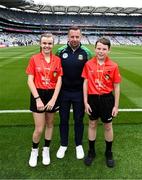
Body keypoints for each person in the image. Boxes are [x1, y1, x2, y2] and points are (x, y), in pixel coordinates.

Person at [82, 37, 121, 167]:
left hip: (106, 99)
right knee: (92, 124)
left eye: (104, 49)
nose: (101, 51)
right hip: (92, 99)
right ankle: (91, 151)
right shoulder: (88, 64)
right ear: (95, 49)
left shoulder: (113, 65)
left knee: (108, 126)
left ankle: (108, 152)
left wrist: (116, 105)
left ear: (108, 50)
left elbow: (116, 86)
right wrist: (85, 102)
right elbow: (85, 83)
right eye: (98, 48)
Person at [26, 33, 63, 167]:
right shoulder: (34, 59)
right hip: (38, 94)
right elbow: (30, 80)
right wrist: (37, 99)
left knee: (50, 124)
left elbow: (59, 80)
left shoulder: (57, 60)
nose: (47, 46)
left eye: (49, 43)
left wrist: (54, 99)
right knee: (39, 128)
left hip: (52, 94)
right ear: (40, 44)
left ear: (53, 45)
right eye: (45, 43)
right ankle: (34, 151)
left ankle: (46, 149)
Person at [56, 26, 93, 159]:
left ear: (81, 37)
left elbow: (90, 72)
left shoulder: (87, 52)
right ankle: (63, 144)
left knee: (79, 120)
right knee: (63, 119)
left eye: (77, 36)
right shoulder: (60, 51)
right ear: (68, 37)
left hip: (79, 92)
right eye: (72, 36)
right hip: (64, 92)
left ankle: (78, 145)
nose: (74, 39)